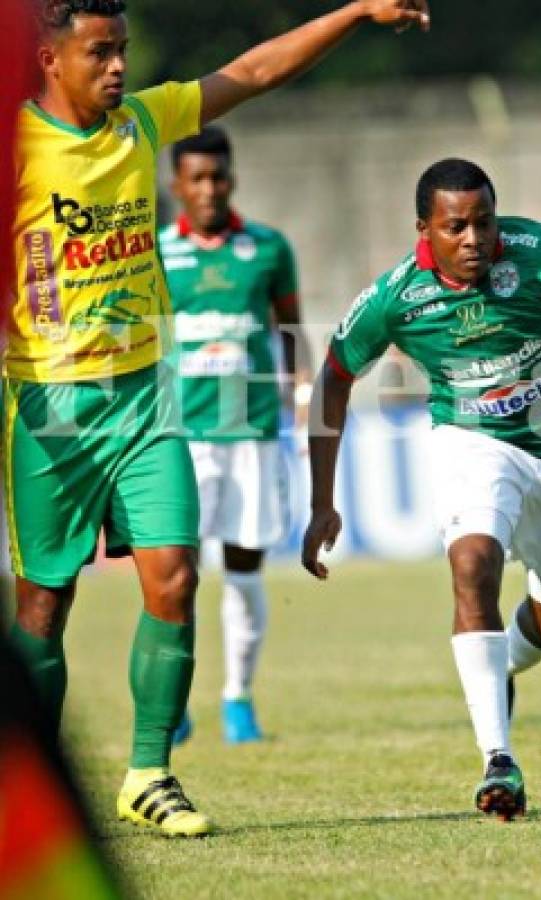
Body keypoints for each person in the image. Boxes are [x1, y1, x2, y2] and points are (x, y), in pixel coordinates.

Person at [6, 0, 433, 838]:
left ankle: (148, 773)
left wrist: (353, 11)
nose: (120, 67)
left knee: (173, 579)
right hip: (48, 410)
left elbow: (259, 70)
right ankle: (32, 794)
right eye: (101, 52)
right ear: (50, 59)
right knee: (41, 611)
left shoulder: (142, 122)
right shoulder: (15, 147)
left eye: (123, 49)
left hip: (144, 398)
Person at [302, 158, 541, 821]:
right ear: (423, 230)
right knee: (472, 562)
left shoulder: (539, 252)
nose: (473, 240)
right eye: (454, 226)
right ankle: (498, 760)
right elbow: (334, 377)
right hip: (471, 443)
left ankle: (500, 667)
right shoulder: (396, 297)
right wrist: (322, 500)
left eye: (483, 222)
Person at [161, 126, 311, 745]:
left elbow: (294, 333)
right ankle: (173, 701)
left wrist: (303, 400)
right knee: (173, 575)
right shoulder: (155, 254)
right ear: (176, 185)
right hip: (179, 436)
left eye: (218, 176)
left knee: (244, 572)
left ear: (233, 177)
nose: (208, 189)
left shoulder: (269, 248)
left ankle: (237, 699)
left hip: (250, 431)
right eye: (196, 178)